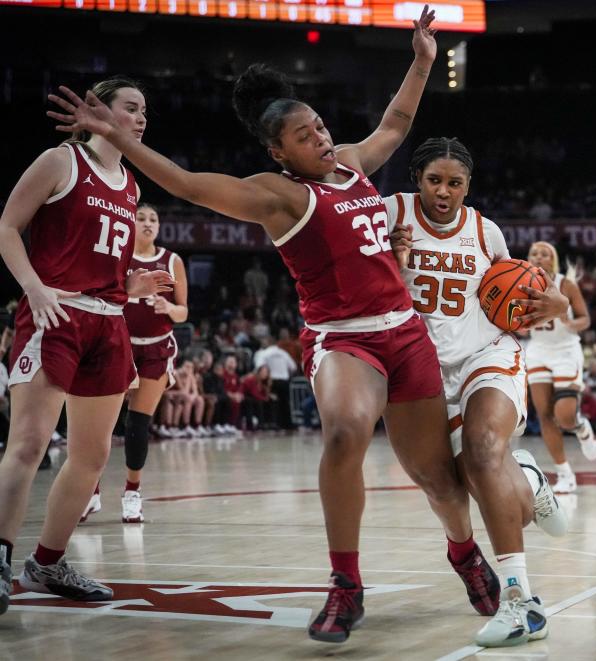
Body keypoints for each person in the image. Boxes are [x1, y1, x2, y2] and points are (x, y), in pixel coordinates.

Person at [47, 9, 524, 645]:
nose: (323, 137)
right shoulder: (277, 195)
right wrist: (122, 139)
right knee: (345, 433)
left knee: (437, 476)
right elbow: (187, 184)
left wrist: (421, 62)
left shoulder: (352, 164)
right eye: (306, 135)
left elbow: (398, 123)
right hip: (344, 336)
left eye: (321, 125)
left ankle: (463, 553)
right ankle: (345, 584)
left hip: (406, 332)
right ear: (280, 151)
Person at [386, 137, 570, 647]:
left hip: (486, 355)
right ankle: (529, 481)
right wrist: (395, 262)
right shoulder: (388, 215)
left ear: (468, 186)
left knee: (486, 450)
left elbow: (522, 295)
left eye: (455, 183)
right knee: (461, 486)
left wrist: (551, 305)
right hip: (419, 372)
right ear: (416, 180)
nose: (444, 192)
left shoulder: (485, 232)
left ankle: (521, 604)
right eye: (434, 180)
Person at [0, 77, 173, 613]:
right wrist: (32, 286)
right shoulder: (61, 161)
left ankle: (47, 561)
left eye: (145, 110)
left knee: (94, 455)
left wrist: (131, 287)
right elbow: (7, 226)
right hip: (55, 313)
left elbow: (110, 263)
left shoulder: (131, 184)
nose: (141, 118)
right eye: (131, 107)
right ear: (100, 109)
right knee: (29, 444)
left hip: (108, 319)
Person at [84, 202, 189, 523]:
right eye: (141, 217)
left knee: (137, 423)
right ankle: (91, 492)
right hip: (119, 344)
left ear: (158, 227)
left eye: (153, 219)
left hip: (157, 347)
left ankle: (132, 492)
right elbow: (101, 297)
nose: (147, 223)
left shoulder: (172, 261)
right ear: (131, 222)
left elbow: (183, 312)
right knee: (102, 423)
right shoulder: (120, 256)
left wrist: (167, 309)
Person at [524, 240, 596, 494]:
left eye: (544, 254)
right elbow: (519, 324)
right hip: (538, 350)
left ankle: (581, 428)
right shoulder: (520, 284)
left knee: (564, 417)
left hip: (566, 350)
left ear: (552, 260)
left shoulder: (566, 284)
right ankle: (564, 473)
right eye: (534, 253)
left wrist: (569, 322)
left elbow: (585, 319)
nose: (538, 257)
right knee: (544, 414)